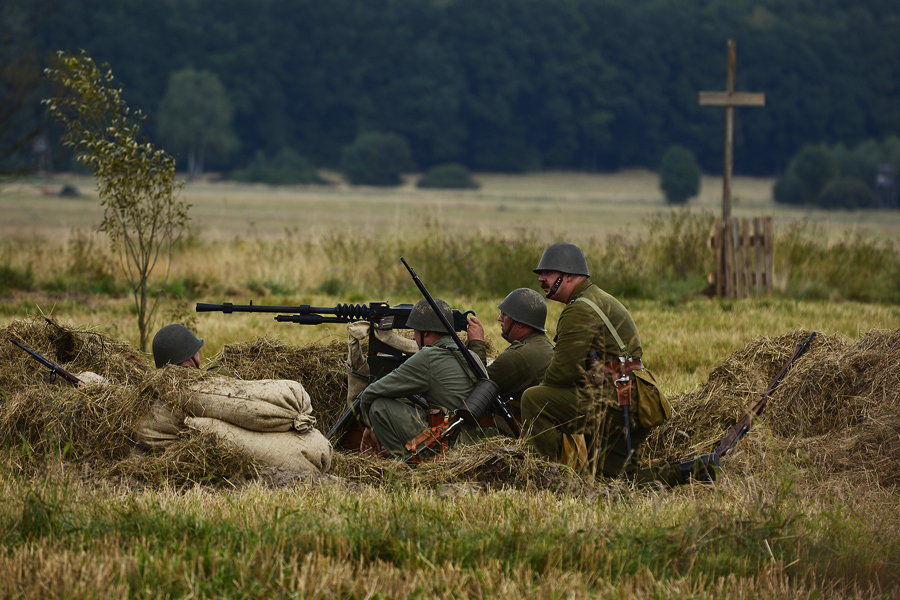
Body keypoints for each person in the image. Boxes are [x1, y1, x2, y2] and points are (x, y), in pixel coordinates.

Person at [521, 242, 718, 485]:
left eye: (548, 273)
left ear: (569, 276)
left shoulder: (580, 309)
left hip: (613, 401)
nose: (541, 279)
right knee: (620, 481)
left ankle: (548, 480)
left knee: (534, 399)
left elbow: (560, 375)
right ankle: (694, 471)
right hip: (633, 399)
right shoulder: (600, 299)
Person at [359, 298, 491, 459]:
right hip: (479, 443)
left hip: (451, 446)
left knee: (378, 407)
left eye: (415, 331)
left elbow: (370, 393)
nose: (414, 338)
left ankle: (408, 462)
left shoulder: (428, 356)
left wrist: (369, 427)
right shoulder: (472, 356)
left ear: (425, 332)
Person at [465, 288, 554, 417]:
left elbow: (477, 387)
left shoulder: (519, 356)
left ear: (520, 323)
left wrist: (477, 342)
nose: (499, 318)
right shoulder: (543, 345)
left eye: (504, 314)